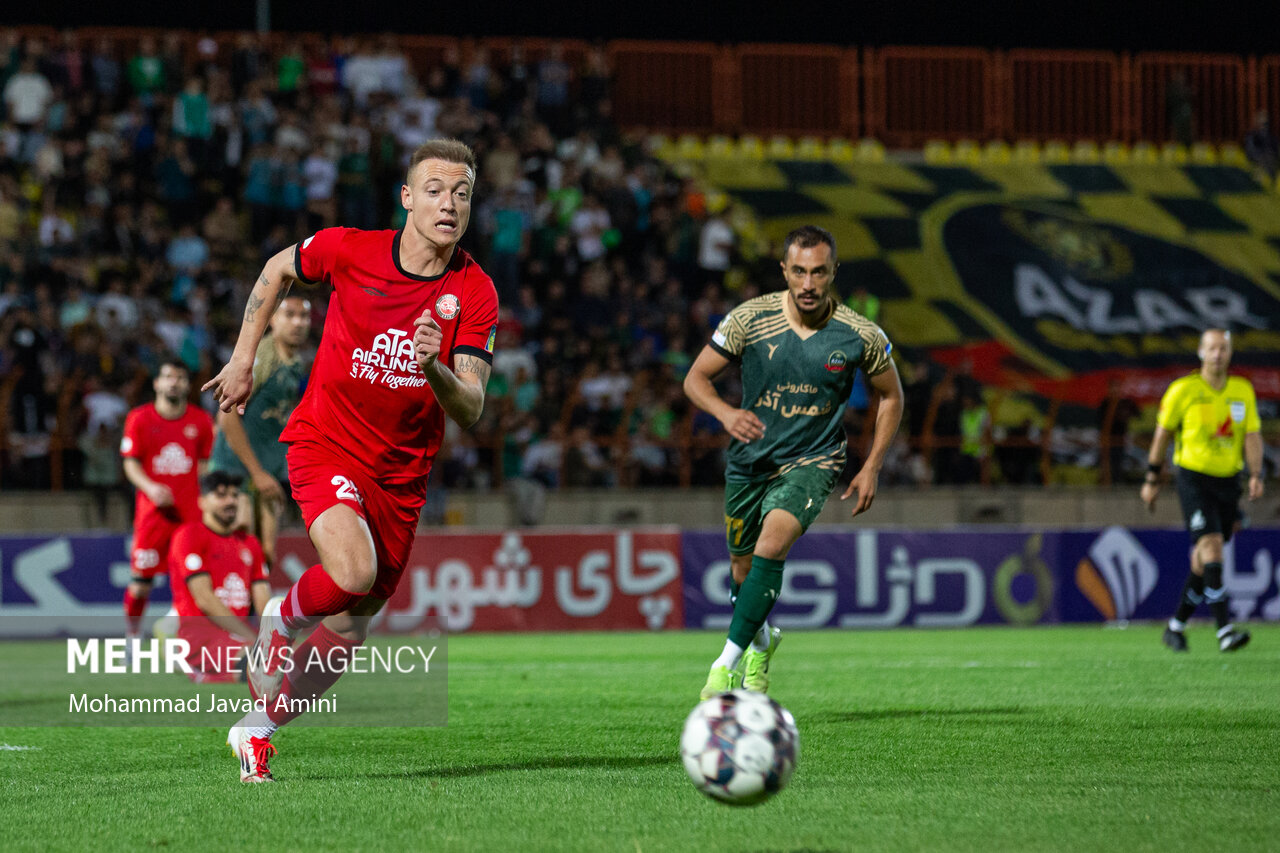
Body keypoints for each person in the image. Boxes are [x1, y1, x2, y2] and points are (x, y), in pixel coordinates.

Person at [204, 138, 497, 783]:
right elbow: (277, 268)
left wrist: (433, 368)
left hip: (402, 475)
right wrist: (243, 356)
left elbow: (471, 408)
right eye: (435, 191)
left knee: (349, 627)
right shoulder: (351, 249)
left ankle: (256, 729)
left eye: (462, 194)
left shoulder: (474, 291)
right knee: (354, 571)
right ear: (407, 198)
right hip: (326, 442)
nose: (449, 205)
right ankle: (282, 616)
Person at [683, 225, 903, 700]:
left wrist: (872, 465)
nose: (808, 283)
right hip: (750, 460)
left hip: (813, 459)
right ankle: (762, 643)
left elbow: (892, 395)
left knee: (772, 543)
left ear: (833, 272)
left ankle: (723, 666)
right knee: (742, 571)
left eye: (818, 272)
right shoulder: (750, 319)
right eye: (799, 271)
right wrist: (725, 413)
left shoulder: (860, 334)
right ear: (784, 270)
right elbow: (695, 378)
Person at [1142, 329, 1264, 653]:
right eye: (1212, 348)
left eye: (1223, 348)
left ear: (1230, 352)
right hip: (1193, 478)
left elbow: (1251, 435)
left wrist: (1255, 474)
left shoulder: (1242, 390)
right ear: (1200, 352)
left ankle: (1175, 627)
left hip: (1229, 482)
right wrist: (1151, 478)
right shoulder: (1183, 390)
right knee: (1211, 548)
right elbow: (1162, 435)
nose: (1217, 354)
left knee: (1202, 560)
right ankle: (1224, 630)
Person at [207, 293, 312, 571]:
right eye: (290, 315)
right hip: (236, 473)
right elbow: (227, 415)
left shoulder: (294, 362)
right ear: (273, 319)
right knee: (240, 556)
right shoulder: (261, 356)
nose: (298, 323)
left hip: (267, 473)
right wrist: (257, 472)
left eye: (304, 316)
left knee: (264, 557)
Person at [120, 359, 215, 645]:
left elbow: (205, 467)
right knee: (140, 584)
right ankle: (132, 637)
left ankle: (186, 639)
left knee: (192, 581)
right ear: (157, 383)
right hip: (153, 516)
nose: (174, 382)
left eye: (180, 378)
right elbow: (130, 463)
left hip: (190, 516)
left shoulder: (201, 421)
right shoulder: (139, 418)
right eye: (168, 376)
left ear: (187, 385)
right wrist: (150, 487)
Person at [169, 471, 271, 682]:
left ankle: (209, 675)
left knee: (294, 660)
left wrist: (273, 637)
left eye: (234, 495)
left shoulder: (250, 543)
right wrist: (252, 638)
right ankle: (195, 666)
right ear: (202, 502)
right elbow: (204, 599)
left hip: (239, 636)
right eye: (221, 495)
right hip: (201, 637)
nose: (230, 501)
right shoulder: (189, 535)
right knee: (262, 664)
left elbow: (263, 601)